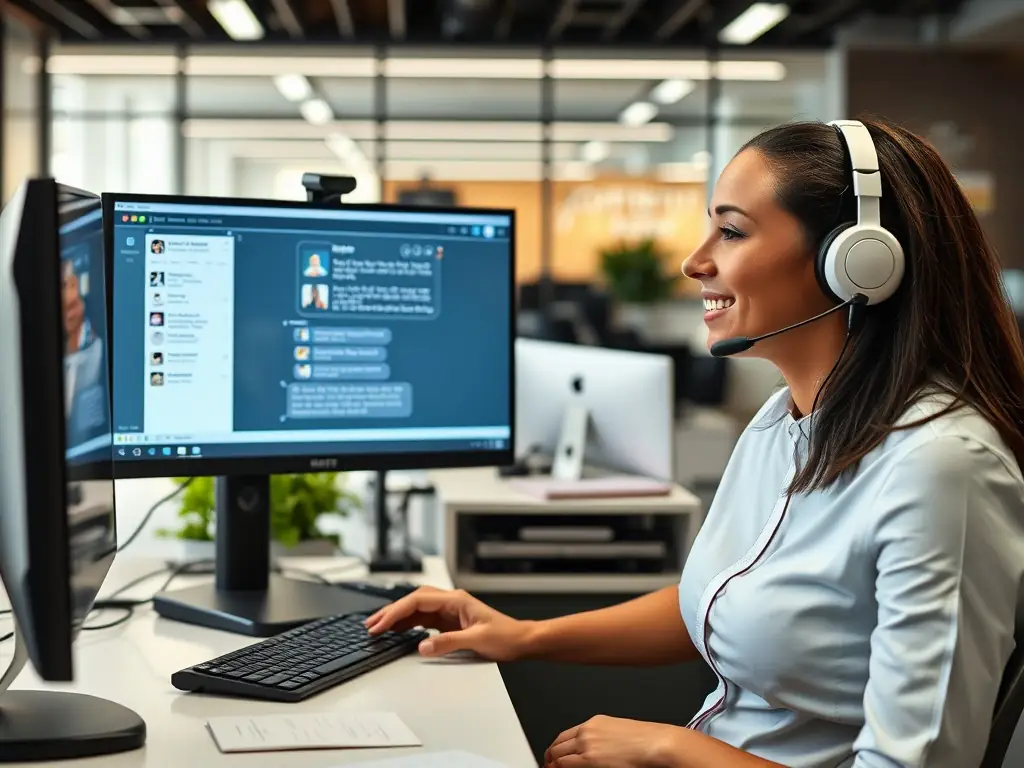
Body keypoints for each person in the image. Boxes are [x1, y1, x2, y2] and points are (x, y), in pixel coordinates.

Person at [365, 118, 1024, 768]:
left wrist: (671, 748)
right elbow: (718, 604)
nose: (693, 261)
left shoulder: (940, 466)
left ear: (857, 261)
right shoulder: (781, 423)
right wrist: (525, 635)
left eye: (731, 231)